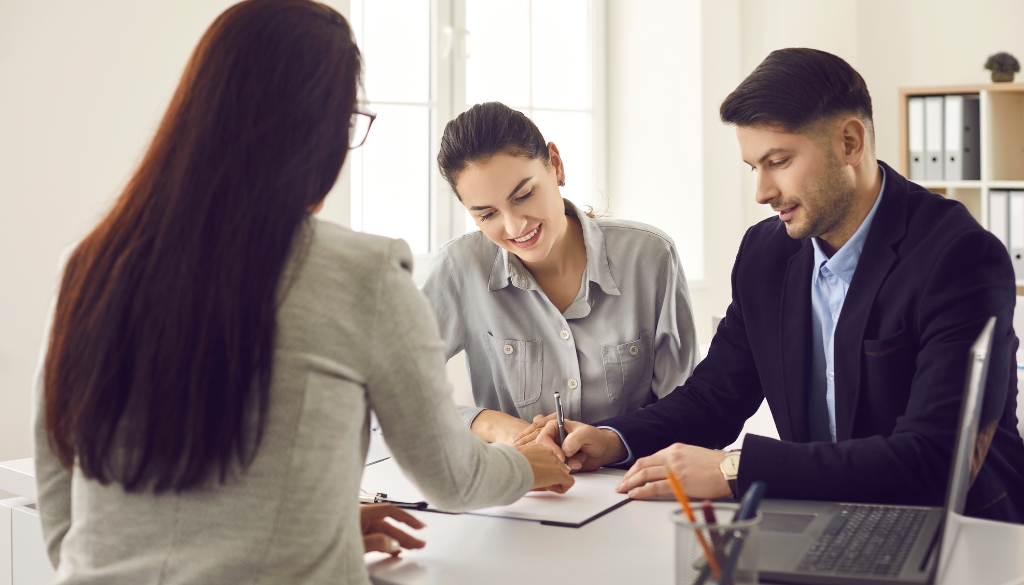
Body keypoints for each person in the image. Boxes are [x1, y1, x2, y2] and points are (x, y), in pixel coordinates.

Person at [32, 2, 573, 584]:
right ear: (316, 132)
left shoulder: (91, 263)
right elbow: (452, 478)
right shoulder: (363, 273)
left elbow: (62, 487)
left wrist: (324, 527)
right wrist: (525, 465)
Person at [539, 48, 1024, 523]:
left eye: (779, 161)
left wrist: (735, 468)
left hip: (959, 531)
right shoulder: (766, 253)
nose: (762, 192)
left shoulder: (959, 257)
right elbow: (715, 399)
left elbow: (934, 459)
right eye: (754, 167)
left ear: (851, 143)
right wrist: (610, 438)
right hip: (822, 520)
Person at [422, 102, 700, 446]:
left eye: (524, 195)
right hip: (520, 489)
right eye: (487, 214)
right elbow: (388, 393)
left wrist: (614, 443)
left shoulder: (650, 257)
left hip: (634, 485)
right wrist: (490, 424)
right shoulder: (459, 268)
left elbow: (689, 408)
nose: (514, 226)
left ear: (555, 164)